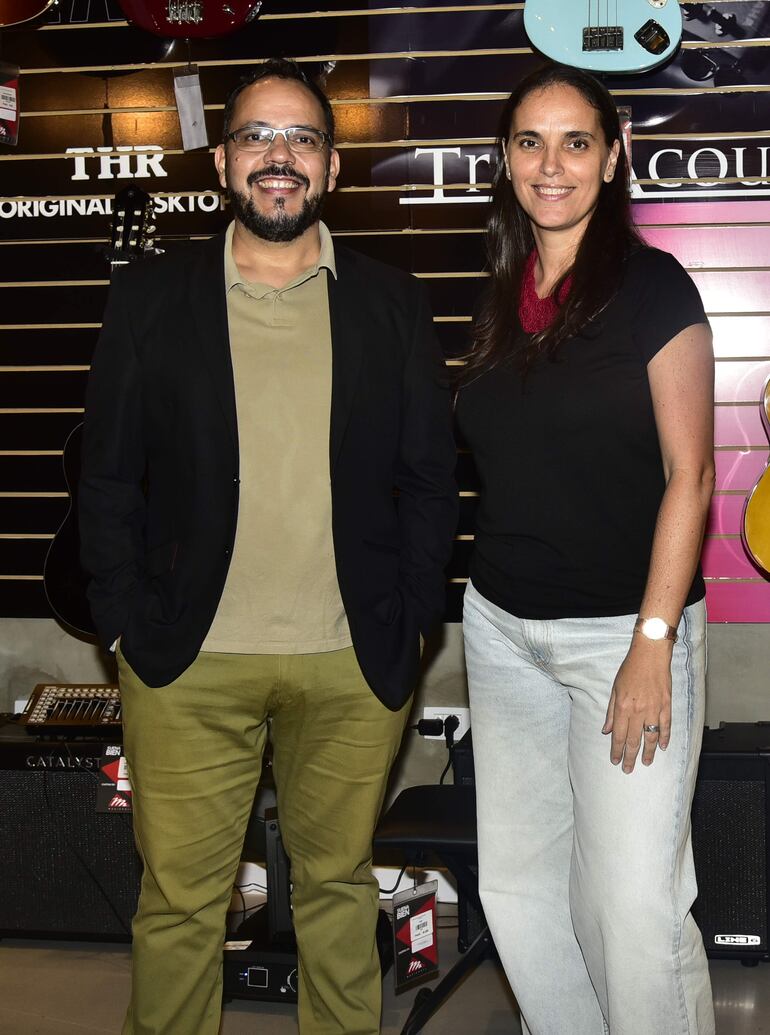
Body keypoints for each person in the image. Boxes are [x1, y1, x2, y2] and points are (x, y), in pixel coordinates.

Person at [79, 58, 457, 1035]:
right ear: (221, 162)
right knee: (180, 905)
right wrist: (123, 624)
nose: (278, 156)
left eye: (300, 138)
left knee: (338, 890)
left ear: (330, 165)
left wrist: (413, 619)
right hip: (186, 662)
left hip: (351, 660)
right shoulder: (151, 298)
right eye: (256, 136)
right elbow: (106, 477)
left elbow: (430, 478)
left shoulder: (391, 301)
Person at [455, 63, 716, 1034]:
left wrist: (652, 641)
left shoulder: (653, 288)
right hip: (501, 631)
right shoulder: (499, 291)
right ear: (505, 158)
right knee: (521, 890)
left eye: (575, 142)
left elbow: (691, 475)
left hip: (624, 634)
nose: (551, 164)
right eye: (530, 142)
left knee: (632, 904)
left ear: (612, 158)